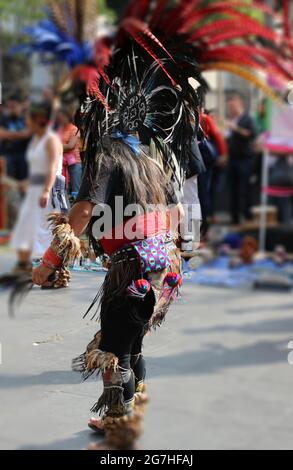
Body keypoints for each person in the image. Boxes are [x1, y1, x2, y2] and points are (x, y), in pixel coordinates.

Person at [31, 31, 203, 449]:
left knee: (114, 349)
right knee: (133, 340)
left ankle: (118, 426)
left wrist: (48, 264)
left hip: (132, 266)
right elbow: (179, 212)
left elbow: (85, 210)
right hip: (164, 267)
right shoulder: (154, 150)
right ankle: (133, 404)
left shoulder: (107, 152)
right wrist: (178, 250)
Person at [10, 102, 68, 280]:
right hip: (35, 189)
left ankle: (50, 269)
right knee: (28, 227)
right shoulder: (37, 140)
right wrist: (27, 182)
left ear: (37, 120)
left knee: (45, 229)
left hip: (48, 190)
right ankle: (33, 264)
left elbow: (51, 169)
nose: (25, 121)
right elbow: (37, 169)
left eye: (28, 118)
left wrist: (45, 190)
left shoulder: (51, 140)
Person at [225, 94, 257, 224]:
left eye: (232, 106)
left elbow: (251, 134)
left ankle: (247, 215)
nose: (231, 109)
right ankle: (235, 217)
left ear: (239, 105)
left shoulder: (247, 119)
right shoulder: (232, 120)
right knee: (233, 189)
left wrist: (235, 129)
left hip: (244, 160)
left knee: (244, 189)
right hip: (232, 159)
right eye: (229, 107)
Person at [0, 95, 30, 192]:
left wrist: (10, 135)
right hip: (8, 155)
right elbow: (2, 134)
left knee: (23, 184)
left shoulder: (25, 119)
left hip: (24, 156)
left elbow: (29, 133)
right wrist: (21, 134)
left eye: (14, 106)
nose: (11, 109)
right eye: (10, 107)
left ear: (20, 106)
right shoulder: (4, 119)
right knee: (9, 183)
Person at [57, 108, 82, 196]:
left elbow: (70, 146)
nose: (59, 119)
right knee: (62, 187)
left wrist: (55, 147)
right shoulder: (59, 130)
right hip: (61, 162)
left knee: (76, 188)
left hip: (74, 162)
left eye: (61, 117)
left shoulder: (74, 129)